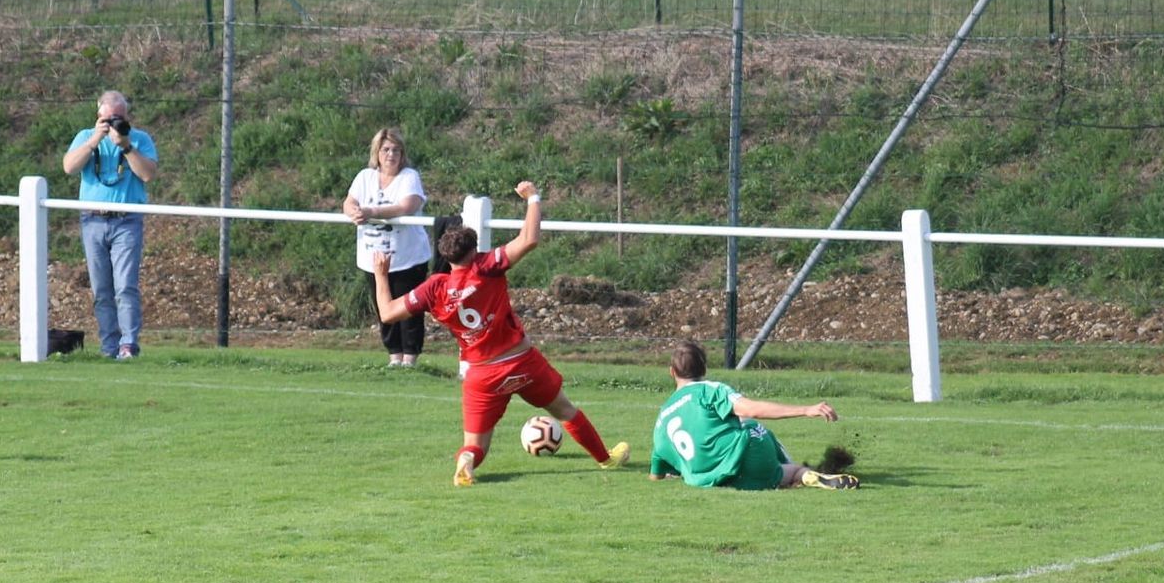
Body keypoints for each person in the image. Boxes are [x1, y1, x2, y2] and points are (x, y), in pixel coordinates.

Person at [371, 181, 630, 486]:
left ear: (447, 256)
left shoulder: (435, 288)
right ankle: (605, 459)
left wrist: (380, 274)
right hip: (522, 362)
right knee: (565, 410)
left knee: (476, 445)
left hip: (481, 375)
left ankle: (465, 463)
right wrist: (533, 198)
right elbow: (529, 239)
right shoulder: (486, 266)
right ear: (474, 249)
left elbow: (387, 313)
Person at [650, 339, 859, 490]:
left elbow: (656, 473)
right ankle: (800, 473)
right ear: (704, 369)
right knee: (746, 422)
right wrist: (805, 409)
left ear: (672, 372)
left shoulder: (661, 421)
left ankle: (793, 476)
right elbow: (752, 409)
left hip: (714, 480)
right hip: (748, 459)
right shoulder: (708, 390)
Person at [61, 89, 159, 360]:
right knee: (101, 289)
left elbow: (148, 175)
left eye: (119, 118)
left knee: (125, 286)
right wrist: (95, 139)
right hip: (92, 220)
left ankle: (128, 345)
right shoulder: (85, 137)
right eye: (109, 118)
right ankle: (108, 346)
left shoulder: (140, 139)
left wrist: (125, 145)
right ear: (98, 117)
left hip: (126, 221)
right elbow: (69, 167)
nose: (114, 122)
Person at [343, 127, 432, 367]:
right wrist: (353, 210)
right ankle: (394, 357)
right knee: (383, 308)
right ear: (377, 152)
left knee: (409, 309)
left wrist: (372, 212)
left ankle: (410, 359)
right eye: (386, 149)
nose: (391, 154)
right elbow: (349, 202)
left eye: (396, 150)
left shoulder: (409, 177)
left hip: (407, 257)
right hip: (374, 258)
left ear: (402, 154)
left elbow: (407, 206)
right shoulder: (365, 177)